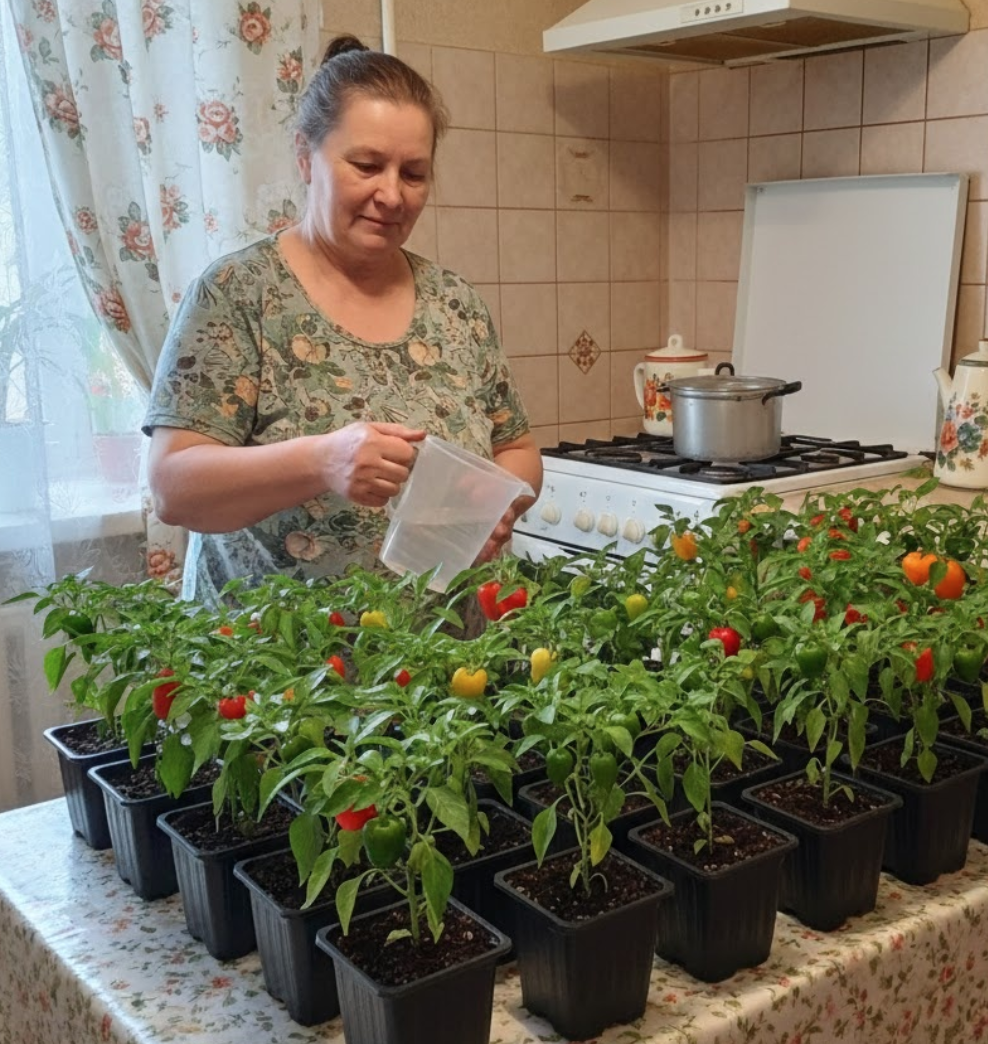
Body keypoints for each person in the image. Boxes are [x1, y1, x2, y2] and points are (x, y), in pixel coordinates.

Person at [143, 35, 542, 606]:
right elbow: (174, 489)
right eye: (367, 166)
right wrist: (321, 461)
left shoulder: (456, 304)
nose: (392, 195)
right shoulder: (239, 294)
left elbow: (517, 448)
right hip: (279, 655)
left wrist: (496, 503)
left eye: (414, 173)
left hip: (444, 653)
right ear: (306, 157)